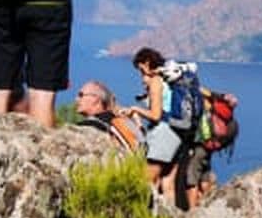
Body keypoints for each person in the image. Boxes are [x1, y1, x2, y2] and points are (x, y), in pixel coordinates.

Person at [121, 47, 182, 201]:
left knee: (147, 180)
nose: (141, 73)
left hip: (164, 135)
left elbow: (156, 115)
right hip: (177, 134)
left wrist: (135, 109)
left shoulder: (156, 81)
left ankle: (145, 213)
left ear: (147, 63)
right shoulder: (168, 78)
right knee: (168, 184)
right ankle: (171, 215)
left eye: (141, 69)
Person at [75, 79, 142, 153]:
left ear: (96, 99)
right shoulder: (125, 123)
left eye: (81, 95)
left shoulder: (90, 125)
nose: (76, 99)